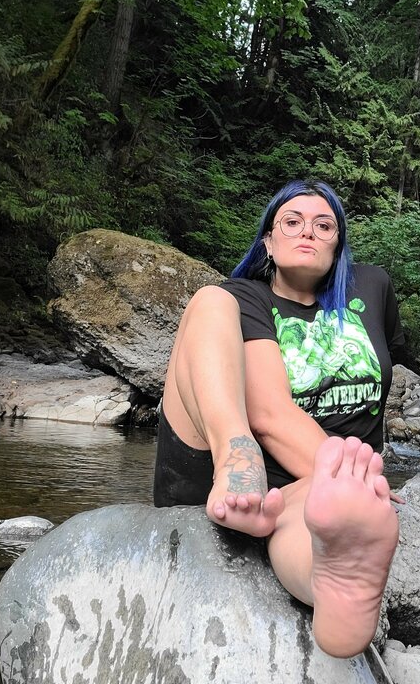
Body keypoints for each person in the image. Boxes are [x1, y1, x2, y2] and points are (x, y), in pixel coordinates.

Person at [153, 178, 405, 658]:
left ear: (338, 246)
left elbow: (389, 365)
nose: (307, 231)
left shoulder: (373, 287)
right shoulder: (246, 297)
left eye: (324, 225)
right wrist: (350, 475)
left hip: (305, 489)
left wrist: (345, 492)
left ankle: (334, 593)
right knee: (209, 301)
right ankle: (238, 461)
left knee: (314, 520)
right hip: (227, 464)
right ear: (268, 241)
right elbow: (268, 413)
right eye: (292, 222)